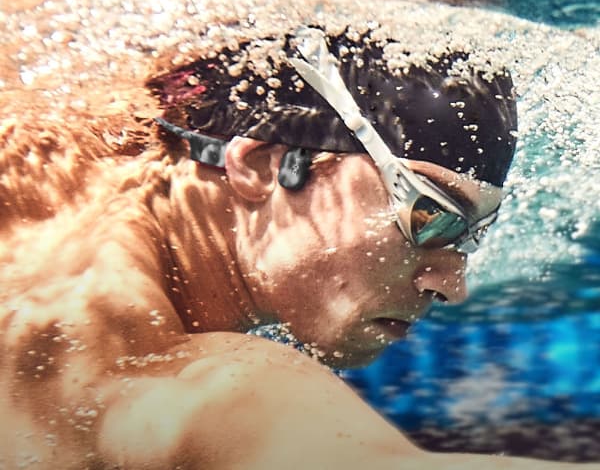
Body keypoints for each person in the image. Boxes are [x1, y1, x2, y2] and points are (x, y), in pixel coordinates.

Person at [0, 25, 589, 470]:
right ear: (261, 165)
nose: (452, 285)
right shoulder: (86, 334)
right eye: (429, 213)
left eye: (469, 235)